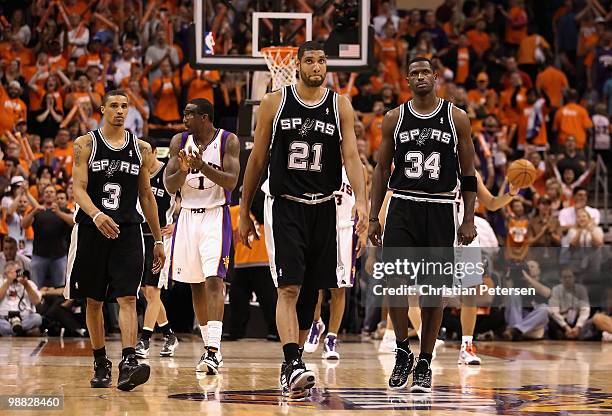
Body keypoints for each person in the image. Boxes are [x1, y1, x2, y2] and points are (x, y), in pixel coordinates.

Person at [238, 41, 367, 399]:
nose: (316, 66)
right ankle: (292, 361)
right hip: (286, 205)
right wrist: (244, 209)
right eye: (309, 60)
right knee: (289, 288)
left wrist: (363, 203)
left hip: (325, 206)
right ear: (296, 65)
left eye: (321, 60)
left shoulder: (340, 105)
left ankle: (292, 363)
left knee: (312, 296)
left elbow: (352, 158)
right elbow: (257, 157)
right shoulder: (274, 103)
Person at [369, 57, 477, 393]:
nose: (419, 77)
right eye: (413, 73)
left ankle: (426, 361)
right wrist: (374, 216)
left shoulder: (456, 117)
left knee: (434, 293)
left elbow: (469, 173)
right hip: (402, 204)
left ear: (435, 77)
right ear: (407, 80)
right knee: (396, 284)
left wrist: (469, 217)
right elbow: (380, 170)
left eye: (425, 72)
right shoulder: (394, 118)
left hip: (442, 208)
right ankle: (402, 350)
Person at [64, 90, 166, 391]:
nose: (120, 111)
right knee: (93, 300)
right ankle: (100, 362)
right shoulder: (85, 144)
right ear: (102, 109)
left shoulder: (142, 148)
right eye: (114, 106)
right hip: (92, 228)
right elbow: (78, 189)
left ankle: (128, 361)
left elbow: (147, 196)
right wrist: (96, 215)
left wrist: (158, 239)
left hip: (127, 230)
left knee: (129, 297)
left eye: (125, 106)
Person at [164, 98, 240, 375]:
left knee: (213, 279)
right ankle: (209, 349)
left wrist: (203, 166)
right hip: (186, 215)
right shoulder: (178, 141)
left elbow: (232, 182)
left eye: (189, 115)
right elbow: (169, 184)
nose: (184, 119)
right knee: (195, 283)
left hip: (215, 215)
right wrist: (183, 169)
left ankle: (213, 350)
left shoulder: (228, 141)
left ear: (205, 117)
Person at [303, 167, 360, 360]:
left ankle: (331, 339)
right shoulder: (321, 164)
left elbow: (362, 203)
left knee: (339, 288)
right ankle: (316, 323)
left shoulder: (355, 169)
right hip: (322, 227)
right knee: (316, 284)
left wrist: (362, 232)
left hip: (346, 230)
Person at [134, 137, 178, 359]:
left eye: (144, 153)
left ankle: (144, 341)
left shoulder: (167, 173)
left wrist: (177, 224)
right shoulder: (137, 174)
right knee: (146, 292)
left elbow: (185, 200)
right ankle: (169, 334)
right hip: (140, 236)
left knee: (152, 291)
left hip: (161, 239)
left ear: (153, 152)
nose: (140, 158)